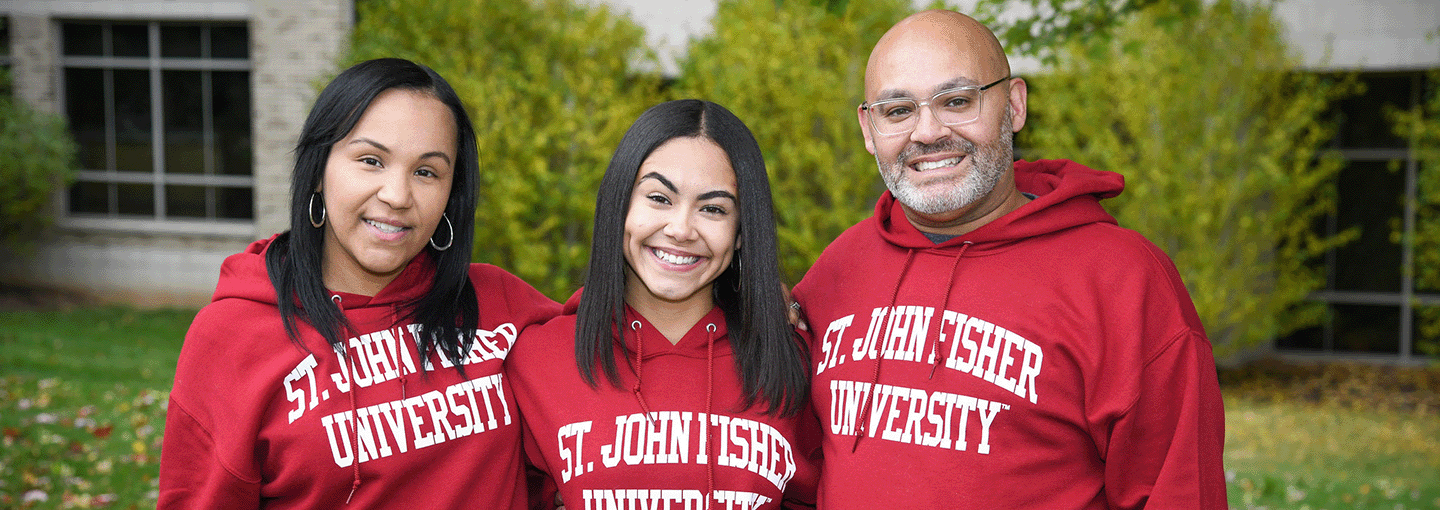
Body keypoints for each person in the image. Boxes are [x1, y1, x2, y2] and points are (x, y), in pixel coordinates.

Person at [789, 10, 1228, 509]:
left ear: (1014, 105)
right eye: (897, 111)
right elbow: (790, 467)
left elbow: (1180, 492)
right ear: (869, 129)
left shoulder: (1123, 279)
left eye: (956, 101)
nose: (928, 132)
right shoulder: (839, 268)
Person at [158, 58, 561, 509]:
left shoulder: (502, 305)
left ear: (452, 192)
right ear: (317, 169)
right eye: (371, 160)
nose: (397, 195)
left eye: (426, 172)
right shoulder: (230, 336)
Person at [505, 99, 818, 510]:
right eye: (659, 198)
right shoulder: (535, 357)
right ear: (620, 205)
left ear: (741, 232)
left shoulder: (792, 360)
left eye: (713, 208)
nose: (681, 229)